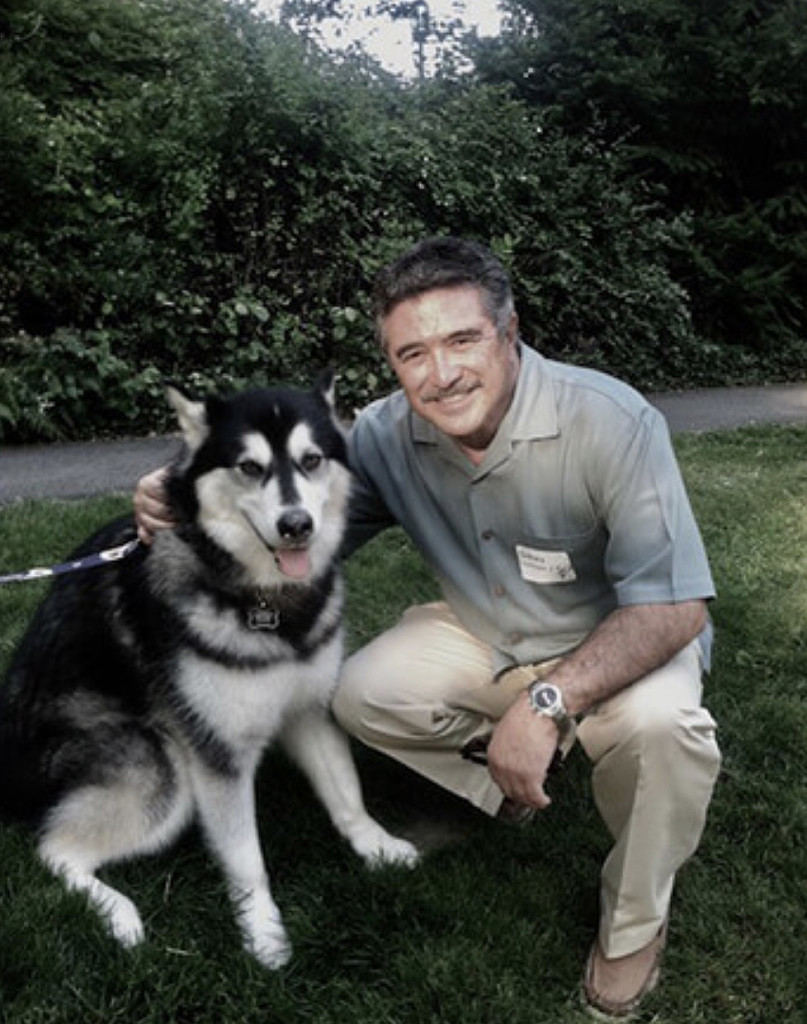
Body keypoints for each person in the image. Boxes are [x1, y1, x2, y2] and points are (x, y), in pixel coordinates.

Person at [135, 237, 721, 1019]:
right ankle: (505, 783)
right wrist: (182, 498)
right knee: (360, 692)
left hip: (622, 636)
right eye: (411, 353)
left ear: (509, 332)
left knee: (665, 731)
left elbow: (674, 607)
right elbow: (288, 539)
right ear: (390, 362)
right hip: (488, 632)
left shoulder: (610, 420)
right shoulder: (381, 437)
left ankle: (633, 925)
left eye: (461, 340)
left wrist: (543, 705)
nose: (439, 373)